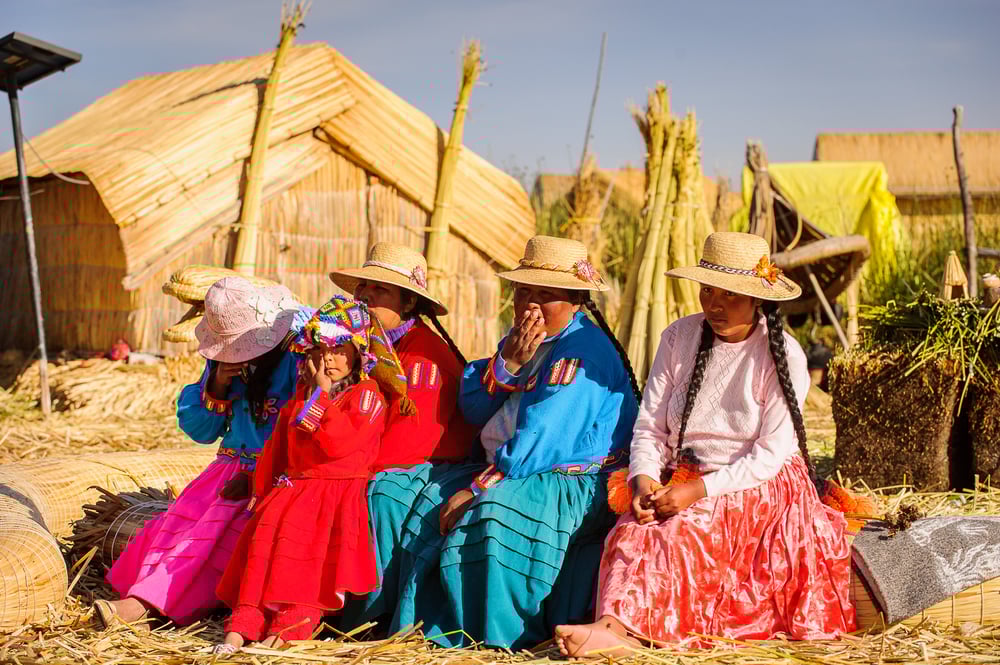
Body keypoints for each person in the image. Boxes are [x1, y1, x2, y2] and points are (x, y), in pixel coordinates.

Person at [555, 232, 856, 657]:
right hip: (684, 475)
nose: (714, 304)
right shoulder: (679, 338)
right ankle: (613, 624)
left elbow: (768, 456)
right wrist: (642, 481)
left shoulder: (782, 354)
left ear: (757, 298)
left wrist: (697, 491)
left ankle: (628, 633)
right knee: (631, 532)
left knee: (683, 531)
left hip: (757, 484)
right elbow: (650, 428)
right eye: (708, 290)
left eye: (730, 295)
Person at [389, 235, 642, 649]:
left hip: (572, 480)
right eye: (523, 290)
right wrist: (509, 364)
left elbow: (544, 439)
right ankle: (402, 624)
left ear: (576, 301)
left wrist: (477, 489)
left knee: (493, 512)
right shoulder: (525, 341)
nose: (530, 304)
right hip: (511, 464)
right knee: (403, 494)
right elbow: (473, 408)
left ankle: (495, 640)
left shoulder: (581, 353)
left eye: (546, 295)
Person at [96, 277, 311, 628]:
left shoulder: (298, 357)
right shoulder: (222, 362)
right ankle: (144, 598)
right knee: (180, 522)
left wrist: (258, 477)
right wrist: (219, 385)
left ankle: (144, 607)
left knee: (214, 534)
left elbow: (305, 429)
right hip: (226, 469)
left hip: (279, 472)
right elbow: (202, 431)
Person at [214, 296, 389, 653]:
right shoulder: (301, 396)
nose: (329, 358)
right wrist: (263, 492)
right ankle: (241, 628)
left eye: (340, 349)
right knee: (261, 564)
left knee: (309, 572)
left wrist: (322, 398)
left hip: (332, 498)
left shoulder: (368, 397)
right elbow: (278, 449)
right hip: (290, 493)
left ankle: (285, 633)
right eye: (322, 348)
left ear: (358, 353)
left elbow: (340, 444)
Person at [330, 243, 478, 629]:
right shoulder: (362, 348)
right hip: (370, 453)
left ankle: (363, 615)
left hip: (436, 464)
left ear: (409, 303)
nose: (364, 297)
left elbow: (409, 443)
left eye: (380, 291)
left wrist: (344, 470)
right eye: (363, 286)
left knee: (379, 495)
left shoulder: (424, 356)